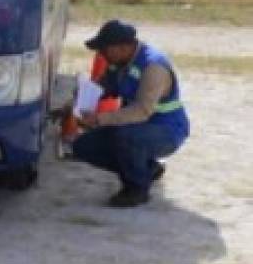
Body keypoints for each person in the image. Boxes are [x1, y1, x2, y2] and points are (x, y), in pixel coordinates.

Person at [71, 20, 190, 207]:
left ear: (124, 47)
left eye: (105, 49)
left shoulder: (153, 67)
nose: (101, 54)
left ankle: (136, 189)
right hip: (134, 126)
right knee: (83, 146)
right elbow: (102, 88)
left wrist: (100, 119)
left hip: (166, 130)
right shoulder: (117, 62)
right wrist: (73, 104)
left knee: (125, 137)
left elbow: (142, 111)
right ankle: (147, 169)